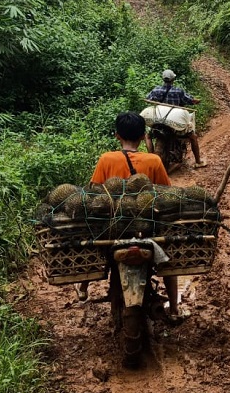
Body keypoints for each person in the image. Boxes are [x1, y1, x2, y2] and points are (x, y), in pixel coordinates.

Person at [76, 111, 182, 319]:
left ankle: (83, 285)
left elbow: (95, 191)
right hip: (147, 227)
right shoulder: (153, 160)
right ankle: (175, 309)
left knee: (92, 244)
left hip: (113, 227)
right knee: (168, 259)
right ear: (144, 136)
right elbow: (165, 193)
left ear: (117, 135)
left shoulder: (106, 159)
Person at [144, 69, 207, 168]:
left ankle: (151, 157)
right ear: (173, 79)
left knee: (147, 136)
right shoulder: (178, 91)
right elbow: (190, 100)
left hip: (159, 120)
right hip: (174, 120)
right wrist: (195, 101)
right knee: (193, 136)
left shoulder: (156, 90)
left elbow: (147, 98)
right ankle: (198, 161)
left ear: (163, 79)